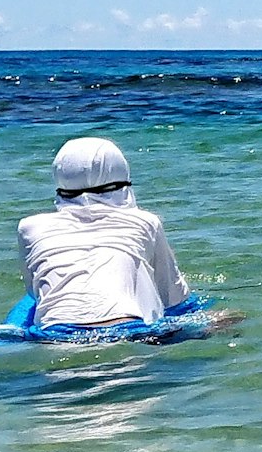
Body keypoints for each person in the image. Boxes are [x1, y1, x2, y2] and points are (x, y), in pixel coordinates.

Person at [13, 136, 200, 327]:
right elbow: (173, 299)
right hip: (125, 329)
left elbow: (33, 293)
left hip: (53, 333)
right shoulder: (145, 222)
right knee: (223, 321)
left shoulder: (29, 227)